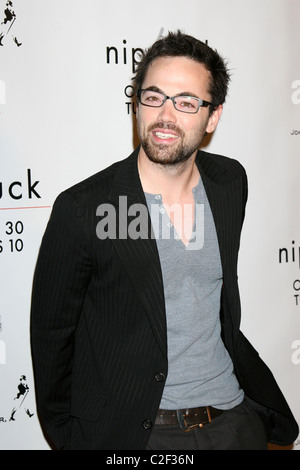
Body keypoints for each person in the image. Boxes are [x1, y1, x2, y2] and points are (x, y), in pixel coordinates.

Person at [30, 31, 298, 450]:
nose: (166, 115)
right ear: (136, 103)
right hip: (141, 432)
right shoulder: (89, 207)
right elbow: (52, 336)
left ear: (212, 117)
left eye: (187, 102)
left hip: (233, 420)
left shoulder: (229, 183)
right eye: (153, 97)